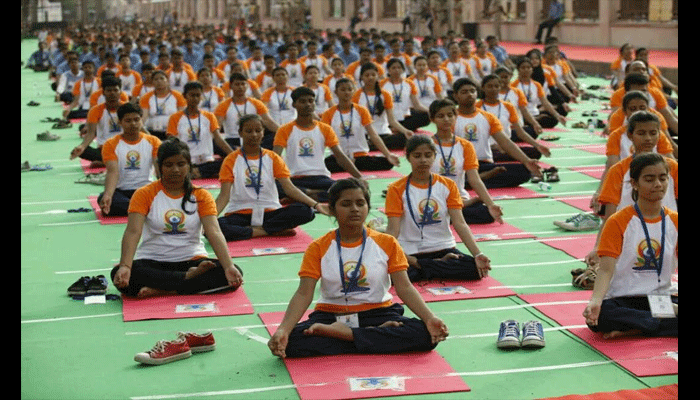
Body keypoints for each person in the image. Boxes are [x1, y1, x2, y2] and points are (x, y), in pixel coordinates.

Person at [267, 177, 449, 358]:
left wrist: (429, 317)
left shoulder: (387, 242)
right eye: (346, 204)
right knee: (291, 342)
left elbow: (405, 287)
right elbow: (303, 293)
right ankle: (373, 337)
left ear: (368, 208)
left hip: (378, 313)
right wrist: (283, 329)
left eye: (360, 203)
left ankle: (345, 335)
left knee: (424, 335)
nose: (354, 209)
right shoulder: (318, 247)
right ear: (332, 210)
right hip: (332, 315)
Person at [111, 137, 244, 298]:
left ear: (189, 166)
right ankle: (185, 280)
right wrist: (125, 266)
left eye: (181, 164)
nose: (175, 170)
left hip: (192, 259)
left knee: (231, 273)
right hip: (153, 261)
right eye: (169, 165)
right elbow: (133, 231)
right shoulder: (144, 194)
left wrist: (228, 265)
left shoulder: (201, 195)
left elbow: (214, 232)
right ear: (159, 166)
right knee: (120, 274)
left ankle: (164, 290)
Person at [582, 152, 678, 338]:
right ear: (634, 183)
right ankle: (655, 323)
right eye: (649, 179)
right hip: (623, 299)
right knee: (600, 317)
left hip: (662, 298)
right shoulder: (618, 221)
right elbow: (605, 270)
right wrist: (595, 300)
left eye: (663, 178)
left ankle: (636, 327)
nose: (658, 184)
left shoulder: (675, 221)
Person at [580, 111, 678, 286]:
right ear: (630, 135)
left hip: (665, 234)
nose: (648, 138)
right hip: (628, 237)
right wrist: (598, 248)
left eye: (653, 132)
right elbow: (610, 215)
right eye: (641, 133)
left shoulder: (671, 168)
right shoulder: (619, 171)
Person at [384, 135, 492, 282]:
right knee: (391, 274)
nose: (423, 160)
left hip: (443, 247)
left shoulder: (448, 185)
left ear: (435, 156)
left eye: (428, 155)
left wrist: (478, 254)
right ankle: (434, 266)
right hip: (411, 251)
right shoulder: (396, 189)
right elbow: (393, 231)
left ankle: (426, 268)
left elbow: (460, 223)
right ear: (408, 158)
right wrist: (394, 255)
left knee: (474, 269)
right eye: (417, 156)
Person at [215, 114, 329, 242]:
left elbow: (289, 188)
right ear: (240, 133)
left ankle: (255, 231)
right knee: (217, 226)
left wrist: (316, 204)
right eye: (248, 131)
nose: (254, 135)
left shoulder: (273, 157)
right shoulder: (231, 160)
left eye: (258, 130)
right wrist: (209, 219)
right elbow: (224, 196)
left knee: (306, 211)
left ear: (263, 133)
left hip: (269, 213)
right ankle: (270, 230)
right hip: (240, 213)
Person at [273, 86, 363, 203]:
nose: (308, 105)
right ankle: (309, 194)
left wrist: (359, 177)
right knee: (273, 187)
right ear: (294, 104)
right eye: (302, 101)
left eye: (311, 101)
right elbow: (275, 158)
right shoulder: (284, 130)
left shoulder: (325, 129)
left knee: (346, 190)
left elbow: (340, 156)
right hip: (294, 179)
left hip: (321, 178)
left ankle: (301, 195)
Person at [453, 77, 542, 188]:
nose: (470, 95)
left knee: (523, 171)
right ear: (455, 96)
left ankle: (475, 180)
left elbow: (505, 142)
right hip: (461, 166)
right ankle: (477, 179)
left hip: (484, 163)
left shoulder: (488, 117)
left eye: (472, 91)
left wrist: (527, 161)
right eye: (464, 92)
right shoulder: (451, 118)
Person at [429, 99, 504, 225]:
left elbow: (474, 179)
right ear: (432, 119)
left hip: (458, 199)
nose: (446, 119)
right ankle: (450, 212)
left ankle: (449, 213)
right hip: (432, 200)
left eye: (450, 115)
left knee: (486, 213)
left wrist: (491, 204)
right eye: (440, 116)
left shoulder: (465, 145)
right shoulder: (427, 144)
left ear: (456, 116)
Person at [321, 78, 400, 173]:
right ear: (336, 92)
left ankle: (350, 165)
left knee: (387, 162)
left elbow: (373, 135)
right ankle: (349, 164)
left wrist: (388, 154)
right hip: (339, 157)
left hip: (360, 155)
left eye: (349, 89)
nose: (346, 92)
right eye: (343, 90)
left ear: (353, 91)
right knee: (325, 165)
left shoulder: (361, 110)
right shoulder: (329, 113)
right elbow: (323, 138)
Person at [98, 103, 162, 217]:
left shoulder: (153, 141)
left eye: (136, 120)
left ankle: (139, 208)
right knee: (104, 199)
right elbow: (113, 172)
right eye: (128, 121)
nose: (133, 124)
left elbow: (159, 170)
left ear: (141, 121)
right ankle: (144, 209)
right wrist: (108, 195)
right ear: (120, 122)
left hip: (146, 190)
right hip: (122, 191)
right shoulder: (110, 144)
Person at [166, 81, 233, 179]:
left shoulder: (209, 116)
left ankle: (197, 173)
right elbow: (172, 142)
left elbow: (218, 139)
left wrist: (234, 154)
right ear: (184, 96)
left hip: (207, 161)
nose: (195, 98)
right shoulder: (175, 118)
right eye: (192, 95)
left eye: (198, 95)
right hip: (187, 162)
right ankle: (195, 172)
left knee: (227, 163)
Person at [477, 74, 551, 162]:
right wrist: (492, 146)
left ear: (500, 87)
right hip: (486, 149)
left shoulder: (508, 107)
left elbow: (520, 132)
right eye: (489, 86)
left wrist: (538, 145)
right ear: (483, 88)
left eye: (496, 86)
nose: (493, 89)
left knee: (535, 152)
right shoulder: (476, 107)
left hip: (506, 146)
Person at [353, 62, 414, 151]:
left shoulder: (385, 94)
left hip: (383, 133)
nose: (370, 77)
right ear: (362, 77)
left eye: (373, 75)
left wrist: (405, 131)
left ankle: (374, 145)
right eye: (367, 75)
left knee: (405, 139)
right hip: (366, 134)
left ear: (377, 76)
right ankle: (375, 145)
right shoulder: (357, 95)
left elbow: (392, 120)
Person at [69, 76, 127, 164]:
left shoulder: (127, 108)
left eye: (115, 90)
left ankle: (106, 162)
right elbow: (91, 133)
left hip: (125, 147)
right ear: (103, 92)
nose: (112, 93)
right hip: (104, 149)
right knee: (82, 150)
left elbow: (139, 129)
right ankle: (110, 161)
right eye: (109, 90)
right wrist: (82, 146)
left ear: (120, 92)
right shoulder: (96, 110)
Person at [511, 58, 566, 129]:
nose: (526, 70)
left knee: (553, 120)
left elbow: (545, 102)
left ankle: (533, 123)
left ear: (532, 69)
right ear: (518, 69)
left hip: (535, 113)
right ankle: (532, 124)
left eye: (528, 67)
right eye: (523, 67)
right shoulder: (513, 85)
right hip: (522, 116)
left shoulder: (537, 85)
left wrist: (557, 115)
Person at [381, 58, 430, 134]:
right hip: (389, 117)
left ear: (403, 70)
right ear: (389, 70)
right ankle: (395, 128)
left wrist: (430, 111)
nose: (396, 70)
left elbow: (416, 105)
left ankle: (398, 129)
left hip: (406, 117)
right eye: (393, 68)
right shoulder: (382, 84)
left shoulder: (409, 83)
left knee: (426, 115)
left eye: (399, 67)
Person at [139, 70, 187, 140]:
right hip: (152, 132)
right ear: (152, 82)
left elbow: (182, 116)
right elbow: (143, 117)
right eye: (156, 79)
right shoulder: (146, 97)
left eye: (162, 78)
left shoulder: (178, 96)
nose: (159, 81)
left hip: (172, 132)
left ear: (167, 80)